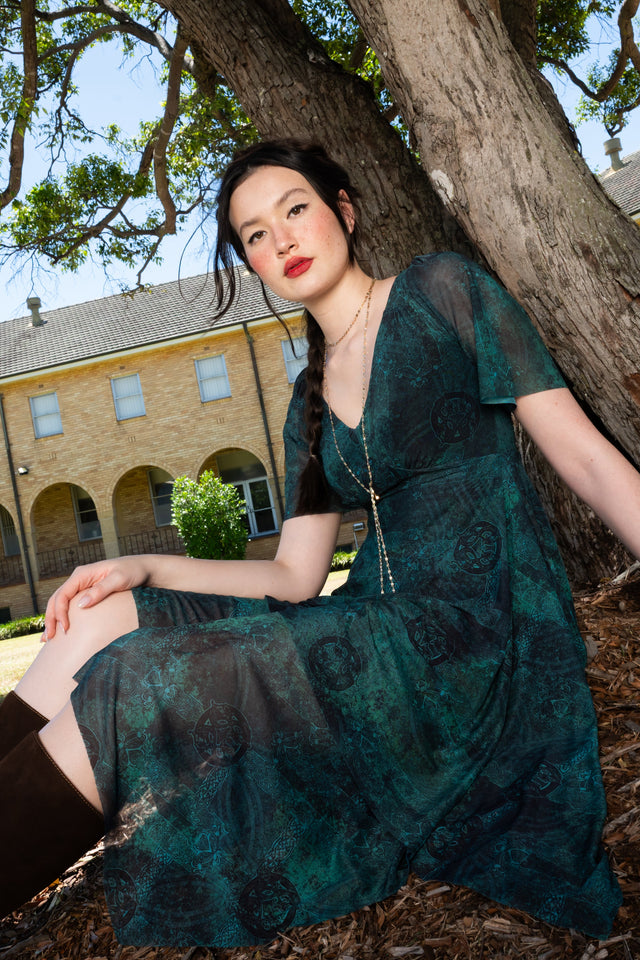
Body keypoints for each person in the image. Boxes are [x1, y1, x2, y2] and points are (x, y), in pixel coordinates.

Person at [0, 138, 634, 947]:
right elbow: (297, 577)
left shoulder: (444, 290)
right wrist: (143, 563)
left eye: (295, 210)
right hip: (368, 621)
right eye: (255, 234)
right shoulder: (308, 390)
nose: (282, 240)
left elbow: (583, 455)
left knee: (140, 675)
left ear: (344, 209)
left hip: (468, 638)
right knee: (104, 617)